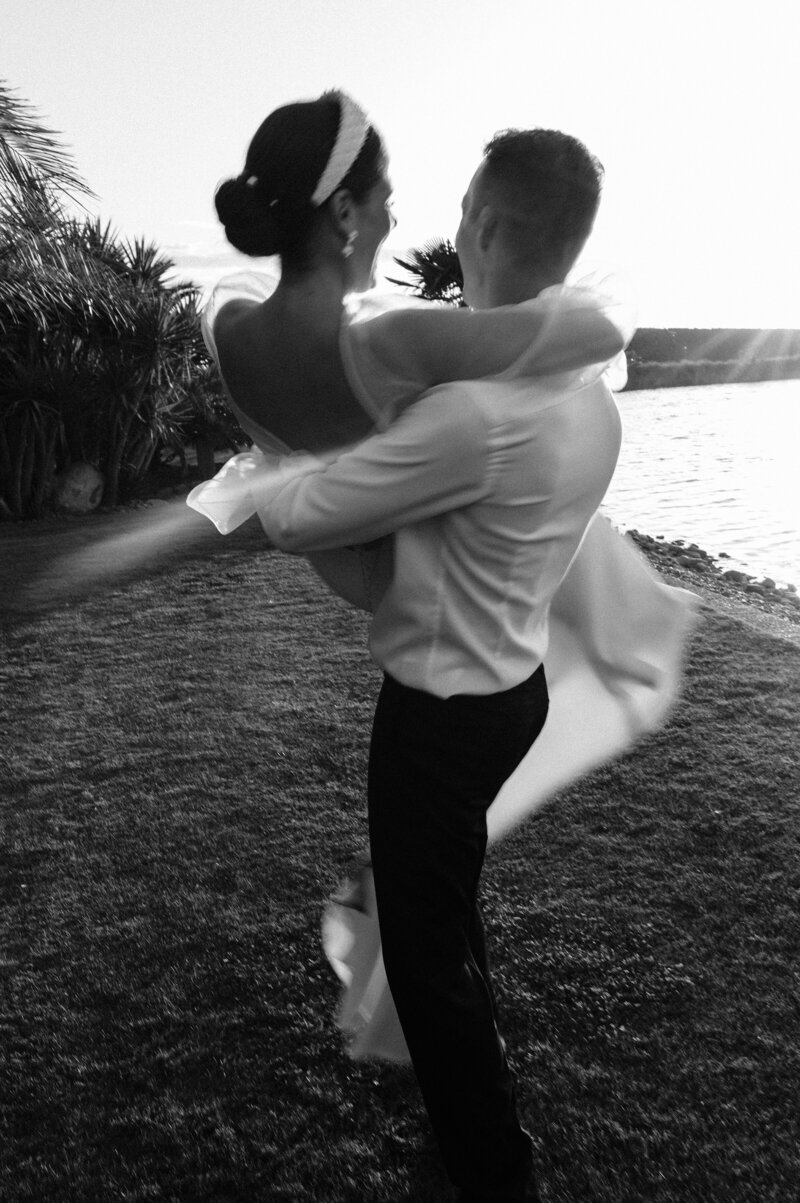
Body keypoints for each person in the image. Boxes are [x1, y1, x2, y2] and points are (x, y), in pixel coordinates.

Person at [189, 94, 697, 1203]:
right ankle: (474, 1092)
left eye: (462, 210)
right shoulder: (585, 393)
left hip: (439, 708)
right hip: (506, 684)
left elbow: (309, 515)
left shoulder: (470, 416)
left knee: (423, 961)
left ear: (486, 229)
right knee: (445, 899)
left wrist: (254, 470)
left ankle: (488, 1167)